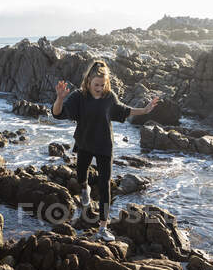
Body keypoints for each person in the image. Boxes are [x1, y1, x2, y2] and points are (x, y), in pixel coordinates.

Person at [52, 60, 159, 241]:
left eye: (102, 85)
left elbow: (125, 110)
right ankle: (84, 190)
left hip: (104, 146)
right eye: (96, 85)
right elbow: (57, 114)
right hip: (85, 143)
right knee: (80, 176)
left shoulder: (109, 98)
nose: (99, 88)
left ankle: (103, 227)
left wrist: (145, 110)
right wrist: (60, 99)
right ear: (88, 82)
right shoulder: (79, 96)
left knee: (105, 186)